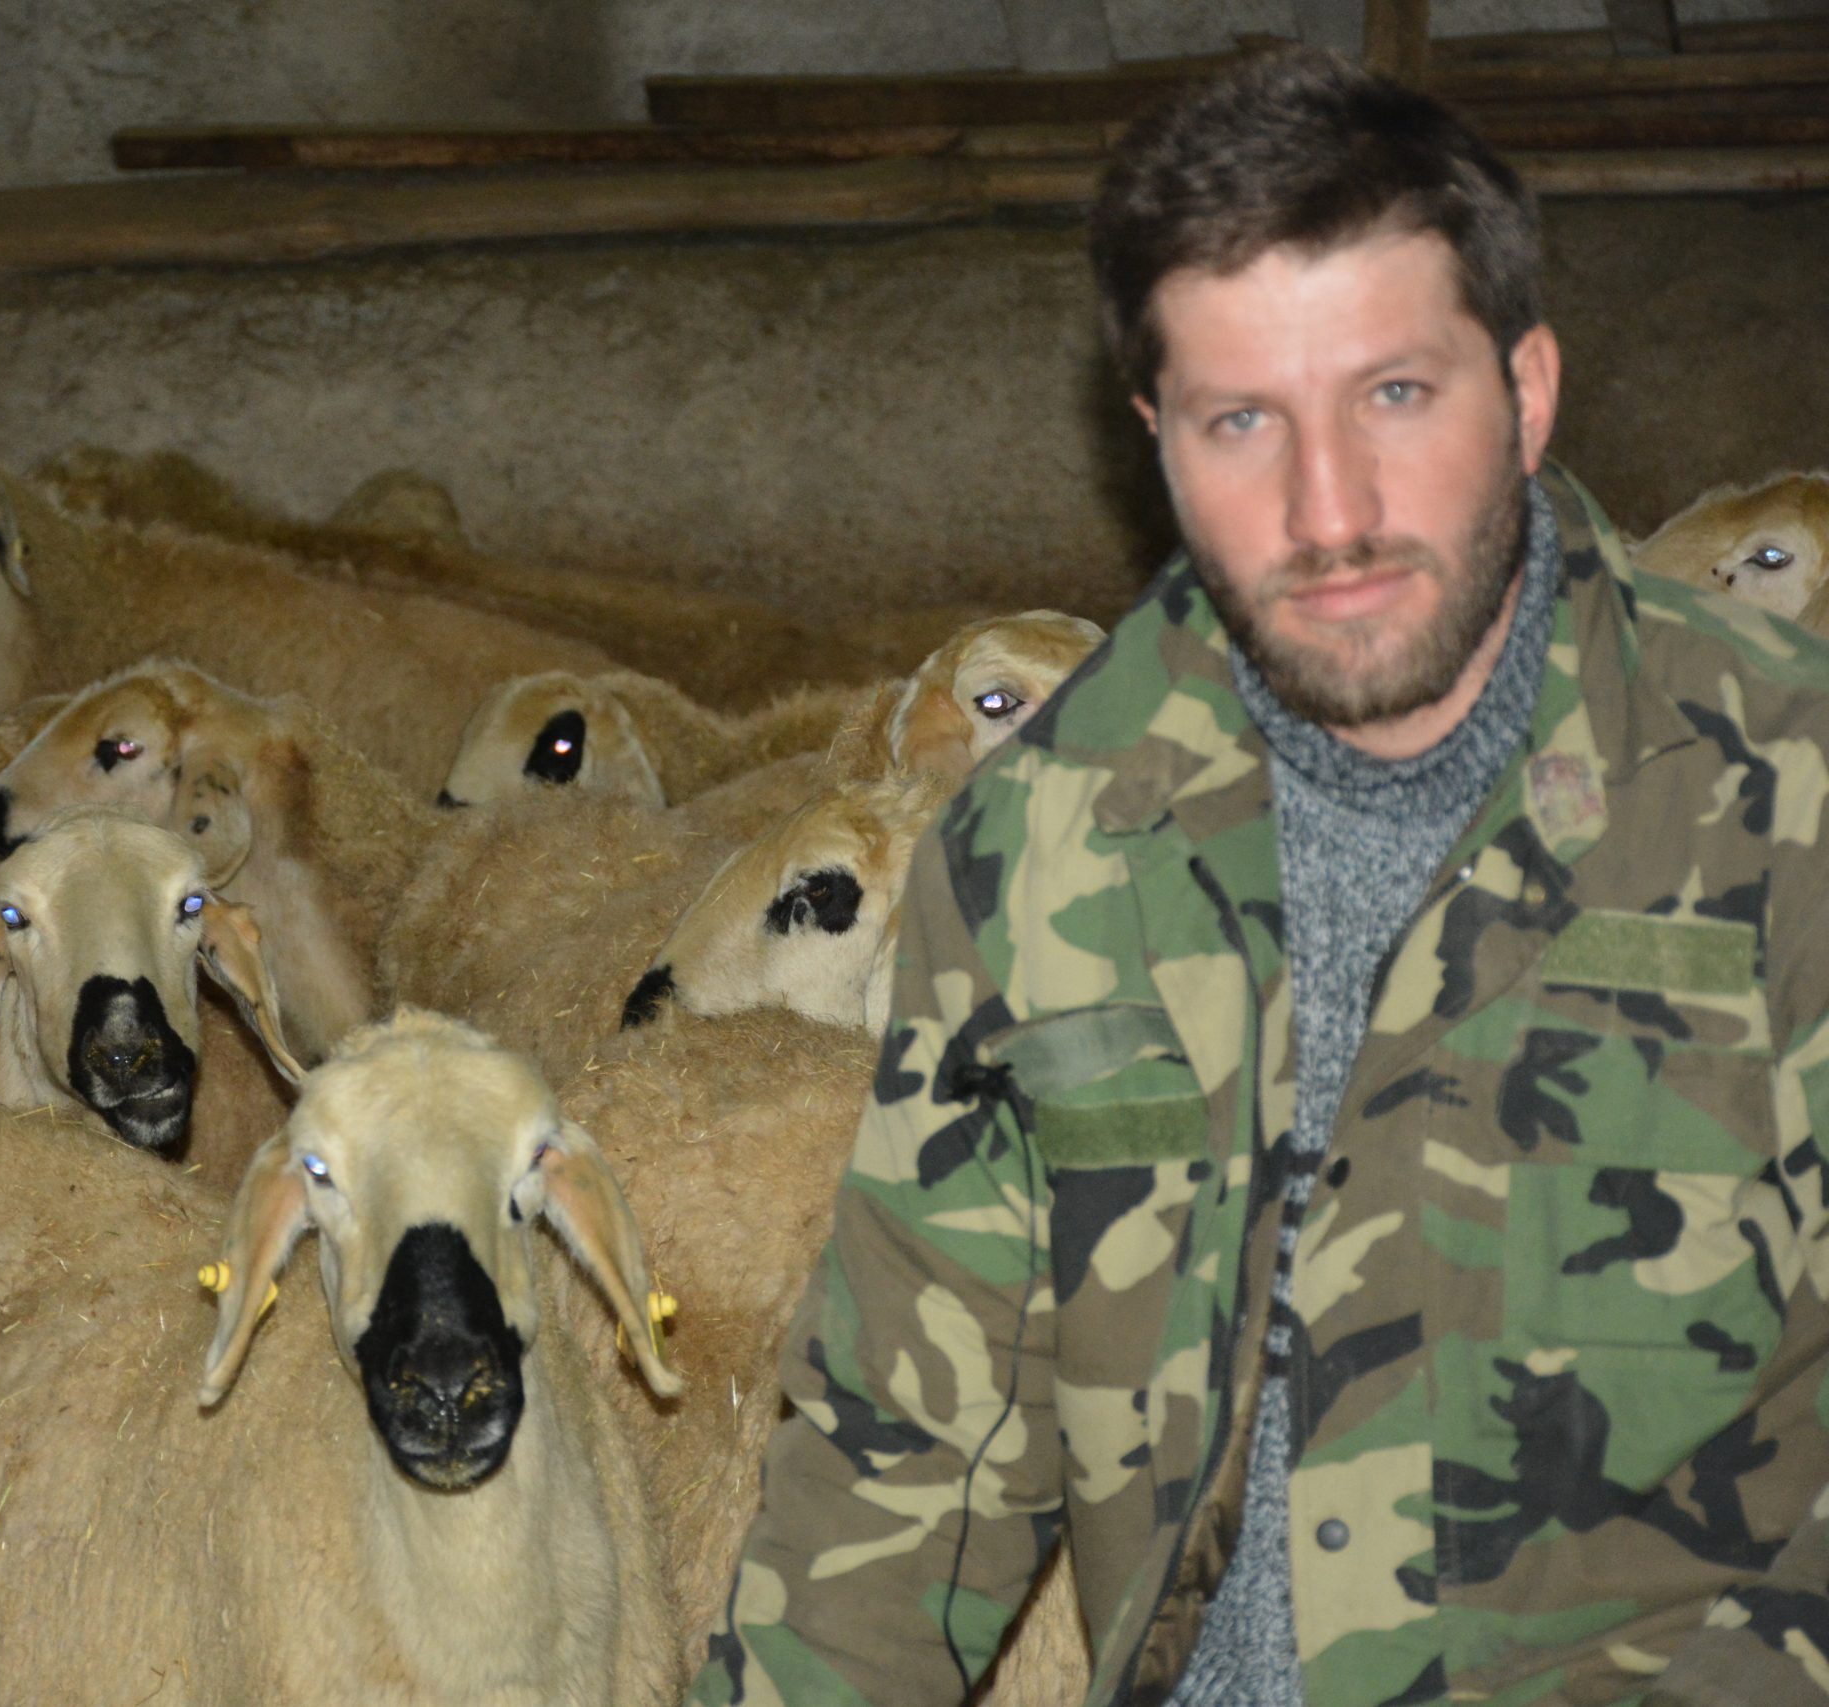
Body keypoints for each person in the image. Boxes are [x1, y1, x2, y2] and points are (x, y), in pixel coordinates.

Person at [688, 45, 1829, 1707]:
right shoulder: (1046, 837)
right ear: (1152, 440)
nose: (1329, 508)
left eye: (1395, 395)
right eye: (1243, 421)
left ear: (1527, 389)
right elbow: (910, 1455)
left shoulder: (1781, 796)